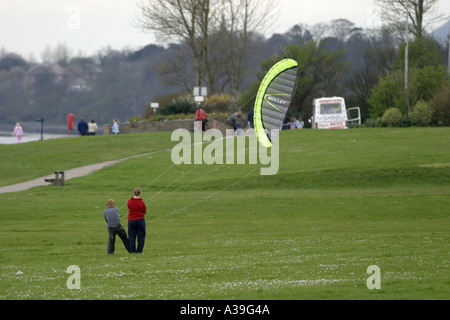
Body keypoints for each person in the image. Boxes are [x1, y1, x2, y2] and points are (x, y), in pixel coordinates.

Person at [128, 187, 147, 253]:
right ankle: (139, 251)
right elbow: (144, 211)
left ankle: (132, 251)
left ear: (133, 193)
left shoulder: (129, 201)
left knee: (131, 236)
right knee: (141, 237)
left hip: (131, 220)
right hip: (140, 220)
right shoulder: (141, 202)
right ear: (140, 193)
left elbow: (129, 207)